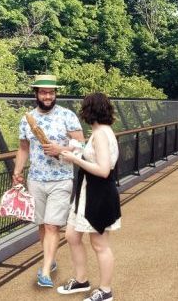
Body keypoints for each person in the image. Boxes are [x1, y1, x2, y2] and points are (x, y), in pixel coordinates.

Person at [12, 74, 85, 288]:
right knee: (42, 225)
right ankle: (50, 260)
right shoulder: (27, 119)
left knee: (53, 225)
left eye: (51, 92)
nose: (47, 96)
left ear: (55, 94)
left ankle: (44, 272)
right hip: (35, 179)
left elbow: (81, 144)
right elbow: (23, 148)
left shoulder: (67, 116)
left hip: (61, 179)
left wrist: (60, 149)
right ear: (36, 94)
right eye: (43, 92)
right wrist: (17, 172)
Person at [57, 93, 121, 301]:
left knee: (100, 244)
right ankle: (81, 279)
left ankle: (105, 290)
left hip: (99, 194)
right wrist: (75, 156)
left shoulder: (101, 134)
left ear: (88, 111)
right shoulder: (101, 132)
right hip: (88, 192)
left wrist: (75, 160)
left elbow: (103, 170)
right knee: (72, 236)